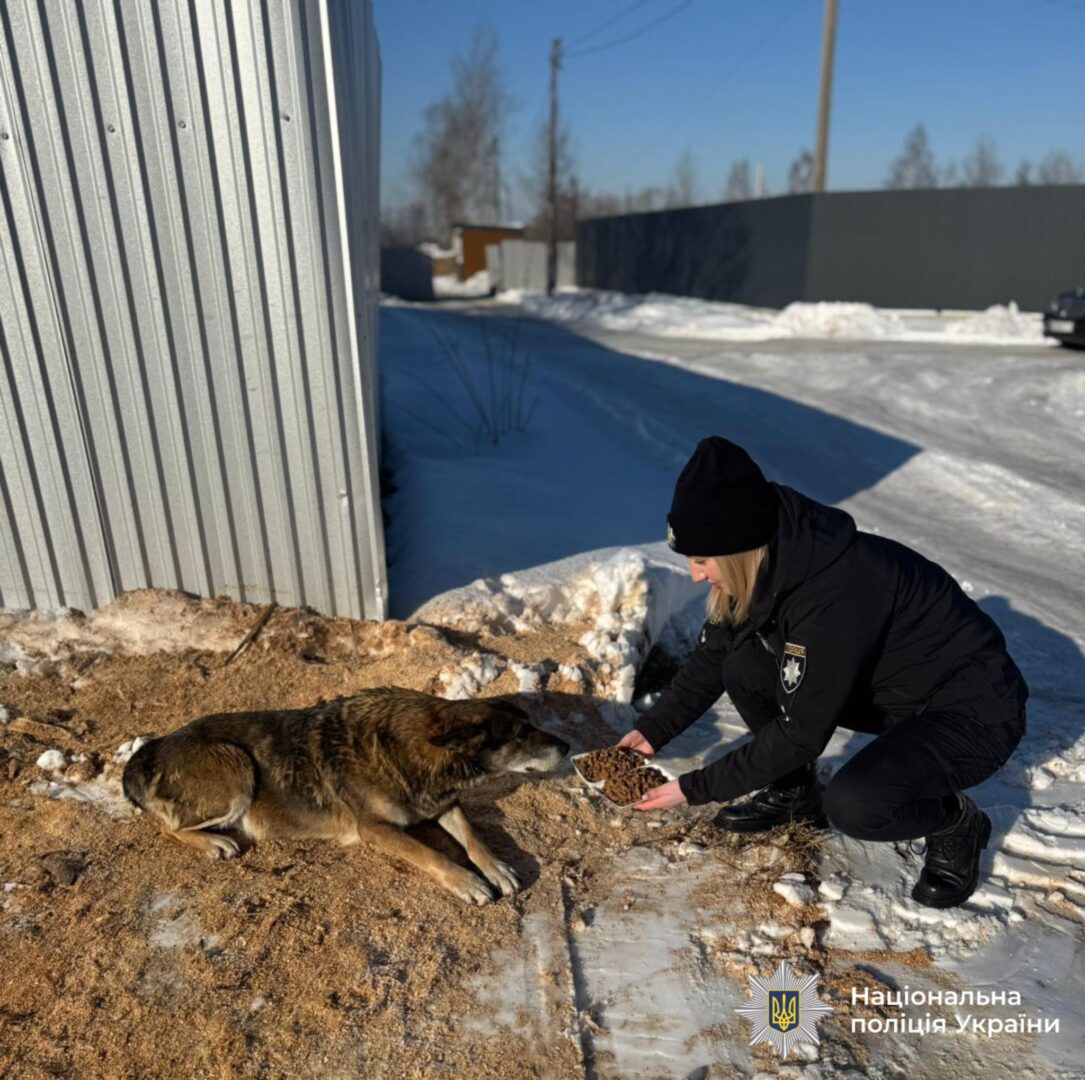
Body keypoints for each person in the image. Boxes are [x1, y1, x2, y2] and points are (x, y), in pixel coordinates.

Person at [622, 436, 1027, 909]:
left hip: (971, 714)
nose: (694, 576)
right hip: (891, 693)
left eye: (701, 561)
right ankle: (794, 792)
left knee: (856, 804)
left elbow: (801, 733)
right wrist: (653, 731)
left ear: (737, 549)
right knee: (743, 665)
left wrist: (694, 789)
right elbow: (713, 659)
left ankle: (954, 820)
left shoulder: (836, 591)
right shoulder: (769, 563)